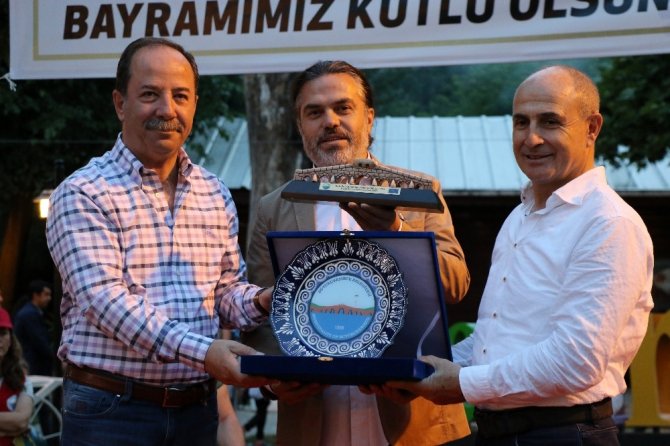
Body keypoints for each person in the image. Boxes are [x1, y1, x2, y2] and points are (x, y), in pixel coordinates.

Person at [380, 66, 654, 445]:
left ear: (592, 128)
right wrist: (418, 369)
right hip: (499, 431)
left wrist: (462, 382)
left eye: (550, 121)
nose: (532, 138)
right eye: (521, 122)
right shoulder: (519, 216)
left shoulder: (608, 222)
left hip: (563, 433)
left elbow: (576, 361)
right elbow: (495, 341)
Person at [45, 37, 273, 446]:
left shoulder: (213, 192)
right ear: (120, 103)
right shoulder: (83, 192)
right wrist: (205, 353)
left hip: (197, 410)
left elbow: (224, 294)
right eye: (150, 94)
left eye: (180, 96)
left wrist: (266, 300)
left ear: (194, 105)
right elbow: (107, 303)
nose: (167, 109)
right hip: (111, 412)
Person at [243, 60, 471, 445]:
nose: (330, 121)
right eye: (314, 112)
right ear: (300, 126)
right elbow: (261, 317)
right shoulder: (273, 208)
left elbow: (456, 284)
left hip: (413, 417)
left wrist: (396, 232)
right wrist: (271, 385)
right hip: (315, 421)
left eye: (342, 108)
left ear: (369, 118)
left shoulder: (418, 193)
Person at [0, 308, 34, 446]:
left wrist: (16, 424)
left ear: (11, 340)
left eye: (3, 333)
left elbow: (21, 421)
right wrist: (8, 427)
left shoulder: (22, 380)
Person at [13, 280, 54, 376]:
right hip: (32, 364)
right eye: (46, 294)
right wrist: (54, 357)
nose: (49, 298)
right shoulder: (29, 314)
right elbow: (39, 341)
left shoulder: (31, 312)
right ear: (36, 295)